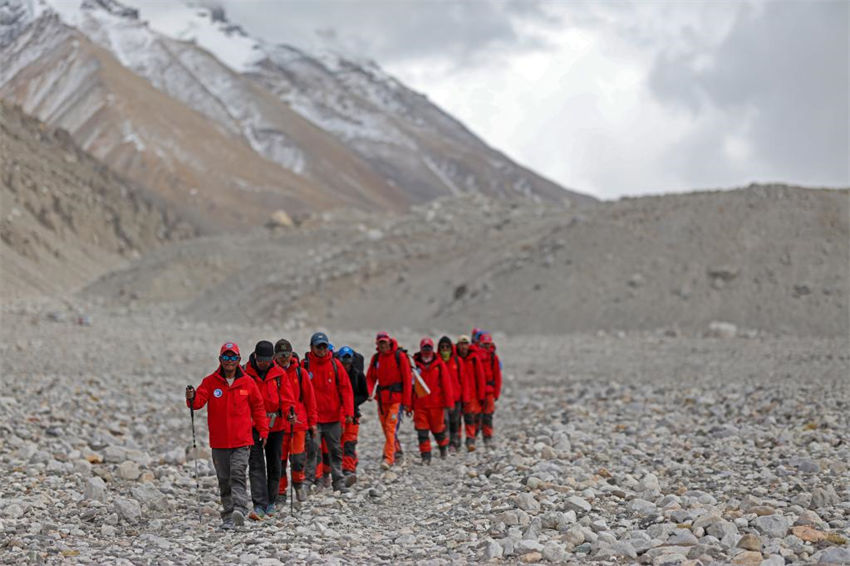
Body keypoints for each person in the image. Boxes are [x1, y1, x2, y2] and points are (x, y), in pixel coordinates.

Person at [185, 342, 268, 529]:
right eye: (226, 357)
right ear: (220, 359)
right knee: (224, 478)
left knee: (237, 473)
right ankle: (228, 515)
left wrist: (263, 430)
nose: (229, 361)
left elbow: (258, 407)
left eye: (233, 357)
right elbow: (197, 403)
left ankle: (239, 509)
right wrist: (191, 396)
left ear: (239, 360)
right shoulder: (210, 382)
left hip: (242, 440)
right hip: (220, 441)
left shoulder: (248, 382)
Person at [243, 340, 292, 519]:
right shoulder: (244, 373)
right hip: (253, 425)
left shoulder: (279, 374)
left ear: (272, 358)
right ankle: (259, 504)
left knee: (275, 464)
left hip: (276, 425)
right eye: (261, 359)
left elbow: (287, 399)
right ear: (255, 356)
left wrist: (289, 413)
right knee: (256, 464)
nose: (264, 363)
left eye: (267, 359)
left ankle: (271, 501)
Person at [302, 332, 355, 492]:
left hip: (332, 418)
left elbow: (346, 389)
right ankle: (309, 481)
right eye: (319, 346)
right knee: (312, 450)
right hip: (313, 419)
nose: (322, 349)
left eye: (324, 346)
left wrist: (349, 412)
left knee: (335, 450)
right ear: (312, 347)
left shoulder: (335, 365)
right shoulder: (305, 366)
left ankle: (338, 481)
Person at [273, 339, 316, 504]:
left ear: (291, 354)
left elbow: (310, 400)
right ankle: (280, 491)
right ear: (275, 356)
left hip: (298, 424)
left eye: (287, 354)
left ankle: (298, 485)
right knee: (280, 461)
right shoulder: (272, 373)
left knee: (298, 459)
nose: (284, 357)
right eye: (280, 354)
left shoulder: (301, 373)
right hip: (278, 425)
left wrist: (312, 423)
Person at [366, 331, 412, 469]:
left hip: (396, 398)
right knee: (386, 429)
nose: (383, 345)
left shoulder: (400, 357)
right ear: (377, 344)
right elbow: (370, 377)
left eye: (384, 342)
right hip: (381, 399)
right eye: (380, 343)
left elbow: (407, 380)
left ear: (389, 342)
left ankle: (388, 458)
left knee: (390, 427)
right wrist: (369, 392)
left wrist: (408, 403)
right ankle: (398, 452)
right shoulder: (376, 358)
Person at [412, 338, 454, 463]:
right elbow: (410, 386)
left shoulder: (439, 364)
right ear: (421, 348)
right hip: (420, 405)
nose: (426, 351)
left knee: (438, 431)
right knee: (422, 432)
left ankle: (443, 448)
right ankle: (426, 456)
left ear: (432, 349)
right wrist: (408, 405)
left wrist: (449, 403)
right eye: (424, 348)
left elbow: (446, 385)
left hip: (436, 405)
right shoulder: (414, 365)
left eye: (428, 348)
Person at [337, 346, 369, 484]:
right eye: (343, 362)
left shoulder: (358, 375)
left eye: (348, 362)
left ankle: (348, 469)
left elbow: (364, 394)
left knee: (349, 441)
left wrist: (350, 403)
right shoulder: (335, 374)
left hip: (353, 414)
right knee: (339, 442)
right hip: (338, 413)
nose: (346, 365)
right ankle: (347, 466)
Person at [456, 335, 485, 452]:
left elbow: (480, 377)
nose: (464, 347)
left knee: (470, 418)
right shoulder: (455, 359)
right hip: (458, 394)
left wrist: (481, 395)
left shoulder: (474, 359)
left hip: (471, 394)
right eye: (461, 344)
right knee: (456, 419)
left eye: (465, 344)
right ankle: (456, 441)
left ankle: (470, 439)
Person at [437, 335, 466, 453]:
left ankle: (455, 442)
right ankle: (447, 443)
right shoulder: (437, 362)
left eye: (447, 347)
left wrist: (465, 397)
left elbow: (463, 380)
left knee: (455, 421)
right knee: (444, 422)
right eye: (442, 347)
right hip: (441, 399)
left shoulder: (457, 361)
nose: (445, 349)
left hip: (456, 397)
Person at [477, 333, 502, 446]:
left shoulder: (493, 358)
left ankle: (487, 437)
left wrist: (496, 393)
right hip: (477, 391)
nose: (486, 347)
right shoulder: (475, 357)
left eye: (488, 344)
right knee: (475, 415)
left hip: (489, 391)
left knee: (488, 416)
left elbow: (497, 376)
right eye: (484, 344)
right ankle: (473, 438)